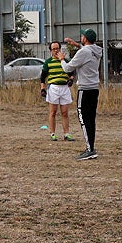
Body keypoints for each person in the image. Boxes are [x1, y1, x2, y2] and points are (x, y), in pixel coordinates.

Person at [58, 28, 103, 160]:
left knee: (83, 119)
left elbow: (68, 68)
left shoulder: (83, 52)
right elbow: (86, 51)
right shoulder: (96, 50)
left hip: (85, 88)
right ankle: (91, 147)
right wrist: (76, 45)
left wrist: (61, 59)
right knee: (91, 119)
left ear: (86, 39)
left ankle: (90, 149)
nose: (81, 37)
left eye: (82, 36)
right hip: (94, 88)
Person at [40, 41, 74, 142]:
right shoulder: (48, 62)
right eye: (53, 49)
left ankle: (66, 133)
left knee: (65, 112)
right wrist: (42, 88)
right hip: (53, 88)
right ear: (50, 51)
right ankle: (52, 133)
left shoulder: (65, 61)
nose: (56, 51)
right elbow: (43, 76)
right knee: (53, 112)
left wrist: (71, 80)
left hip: (64, 87)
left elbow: (71, 73)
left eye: (57, 48)